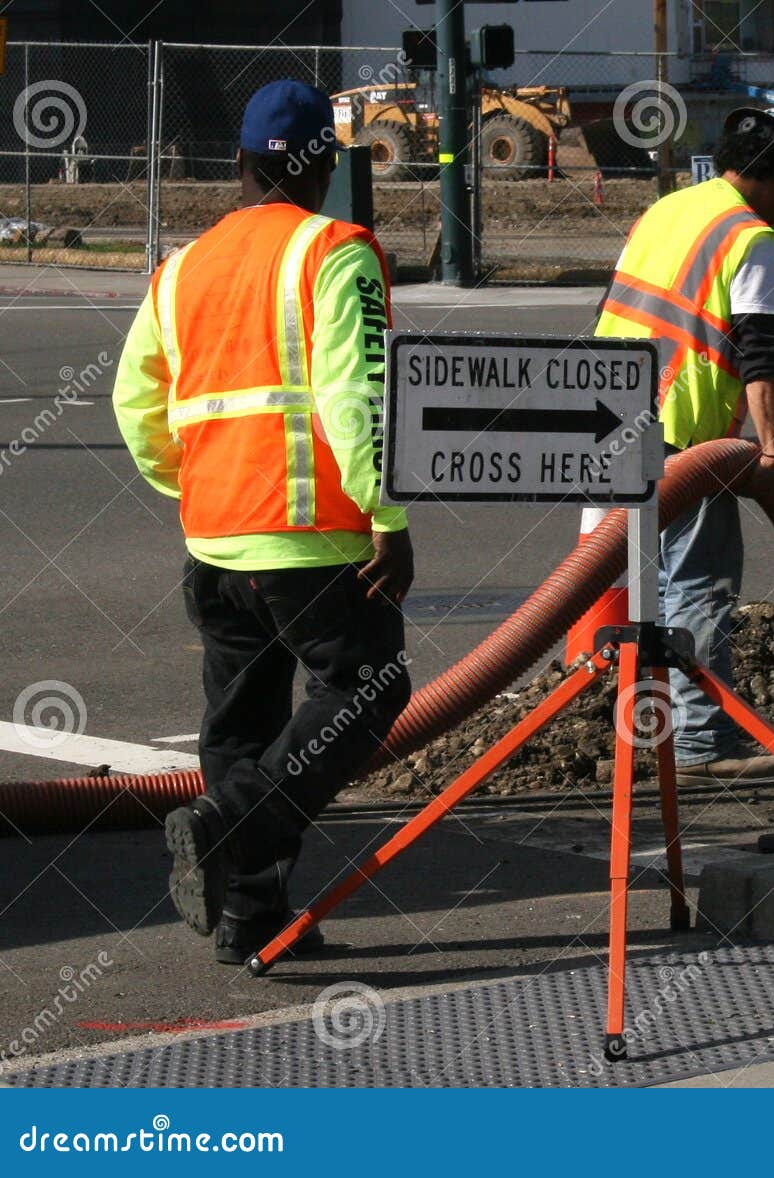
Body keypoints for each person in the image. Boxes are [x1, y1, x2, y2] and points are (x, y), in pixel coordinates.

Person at [111, 80, 413, 963]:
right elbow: (356, 393)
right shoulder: (334, 249)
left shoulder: (182, 266)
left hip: (215, 540)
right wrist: (386, 514)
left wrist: (193, 484)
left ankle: (249, 916)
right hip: (312, 536)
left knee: (240, 730)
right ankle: (229, 826)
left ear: (240, 165)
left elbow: (136, 403)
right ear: (326, 169)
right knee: (369, 686)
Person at [595, 107, 774, 782]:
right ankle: (695, 740)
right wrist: (772, 454)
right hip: (679, 432)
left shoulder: (670, 208)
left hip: (610, 417)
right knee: (699, 580)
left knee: (649, 586)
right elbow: (763, 354)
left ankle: (648, 730)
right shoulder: (750, 238)